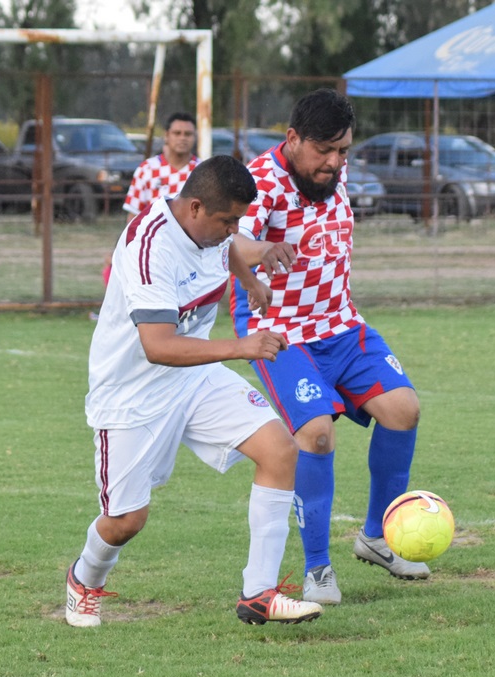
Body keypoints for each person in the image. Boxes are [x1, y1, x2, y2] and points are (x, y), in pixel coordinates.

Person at [66, 154, 323, 628]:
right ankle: (85, 578)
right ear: (196, 208)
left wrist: (250, 277)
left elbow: (225, 249)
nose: (234, 231)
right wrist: (242, 346)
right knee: (126, 522)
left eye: (239, 221)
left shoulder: (209, 230)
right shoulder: (150, 248)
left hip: (193, 377)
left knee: (280, 450)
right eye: (228, 221)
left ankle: (259, 594)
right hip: (133, 394)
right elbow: (158, 346)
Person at [228, 88, 426, 605]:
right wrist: (261, 254)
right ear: (293, 138)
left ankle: (376, 537)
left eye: (343, 151)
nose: (335, 163)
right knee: (316, 435)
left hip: (342, 324)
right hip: (280, 331)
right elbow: (232, 240)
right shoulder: (261, 181)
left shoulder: (333, 172)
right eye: (324, 151)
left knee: (404, 410)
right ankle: (317, 568)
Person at [102, 112, 200, 285]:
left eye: (188, 134)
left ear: (195, 137)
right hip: (154, 249)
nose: (182, 138)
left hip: (190, 250)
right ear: (167, 136)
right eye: (177, 133)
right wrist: (127, 248)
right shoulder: (147, 169)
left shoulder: (202, 171)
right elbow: (134, 216)